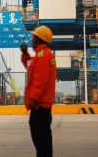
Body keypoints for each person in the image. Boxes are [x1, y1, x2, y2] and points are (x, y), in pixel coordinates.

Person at [20, 25, 57, 157]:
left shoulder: (43, 55)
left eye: (33, 37)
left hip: (39, 106)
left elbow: (40, 80)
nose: (31, 40)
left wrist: (33, 99)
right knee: (43, 142)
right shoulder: (43, 54)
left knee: (41, 143)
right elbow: (31, 68)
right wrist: (25, 54)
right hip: (42, 106)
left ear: (38, 39)